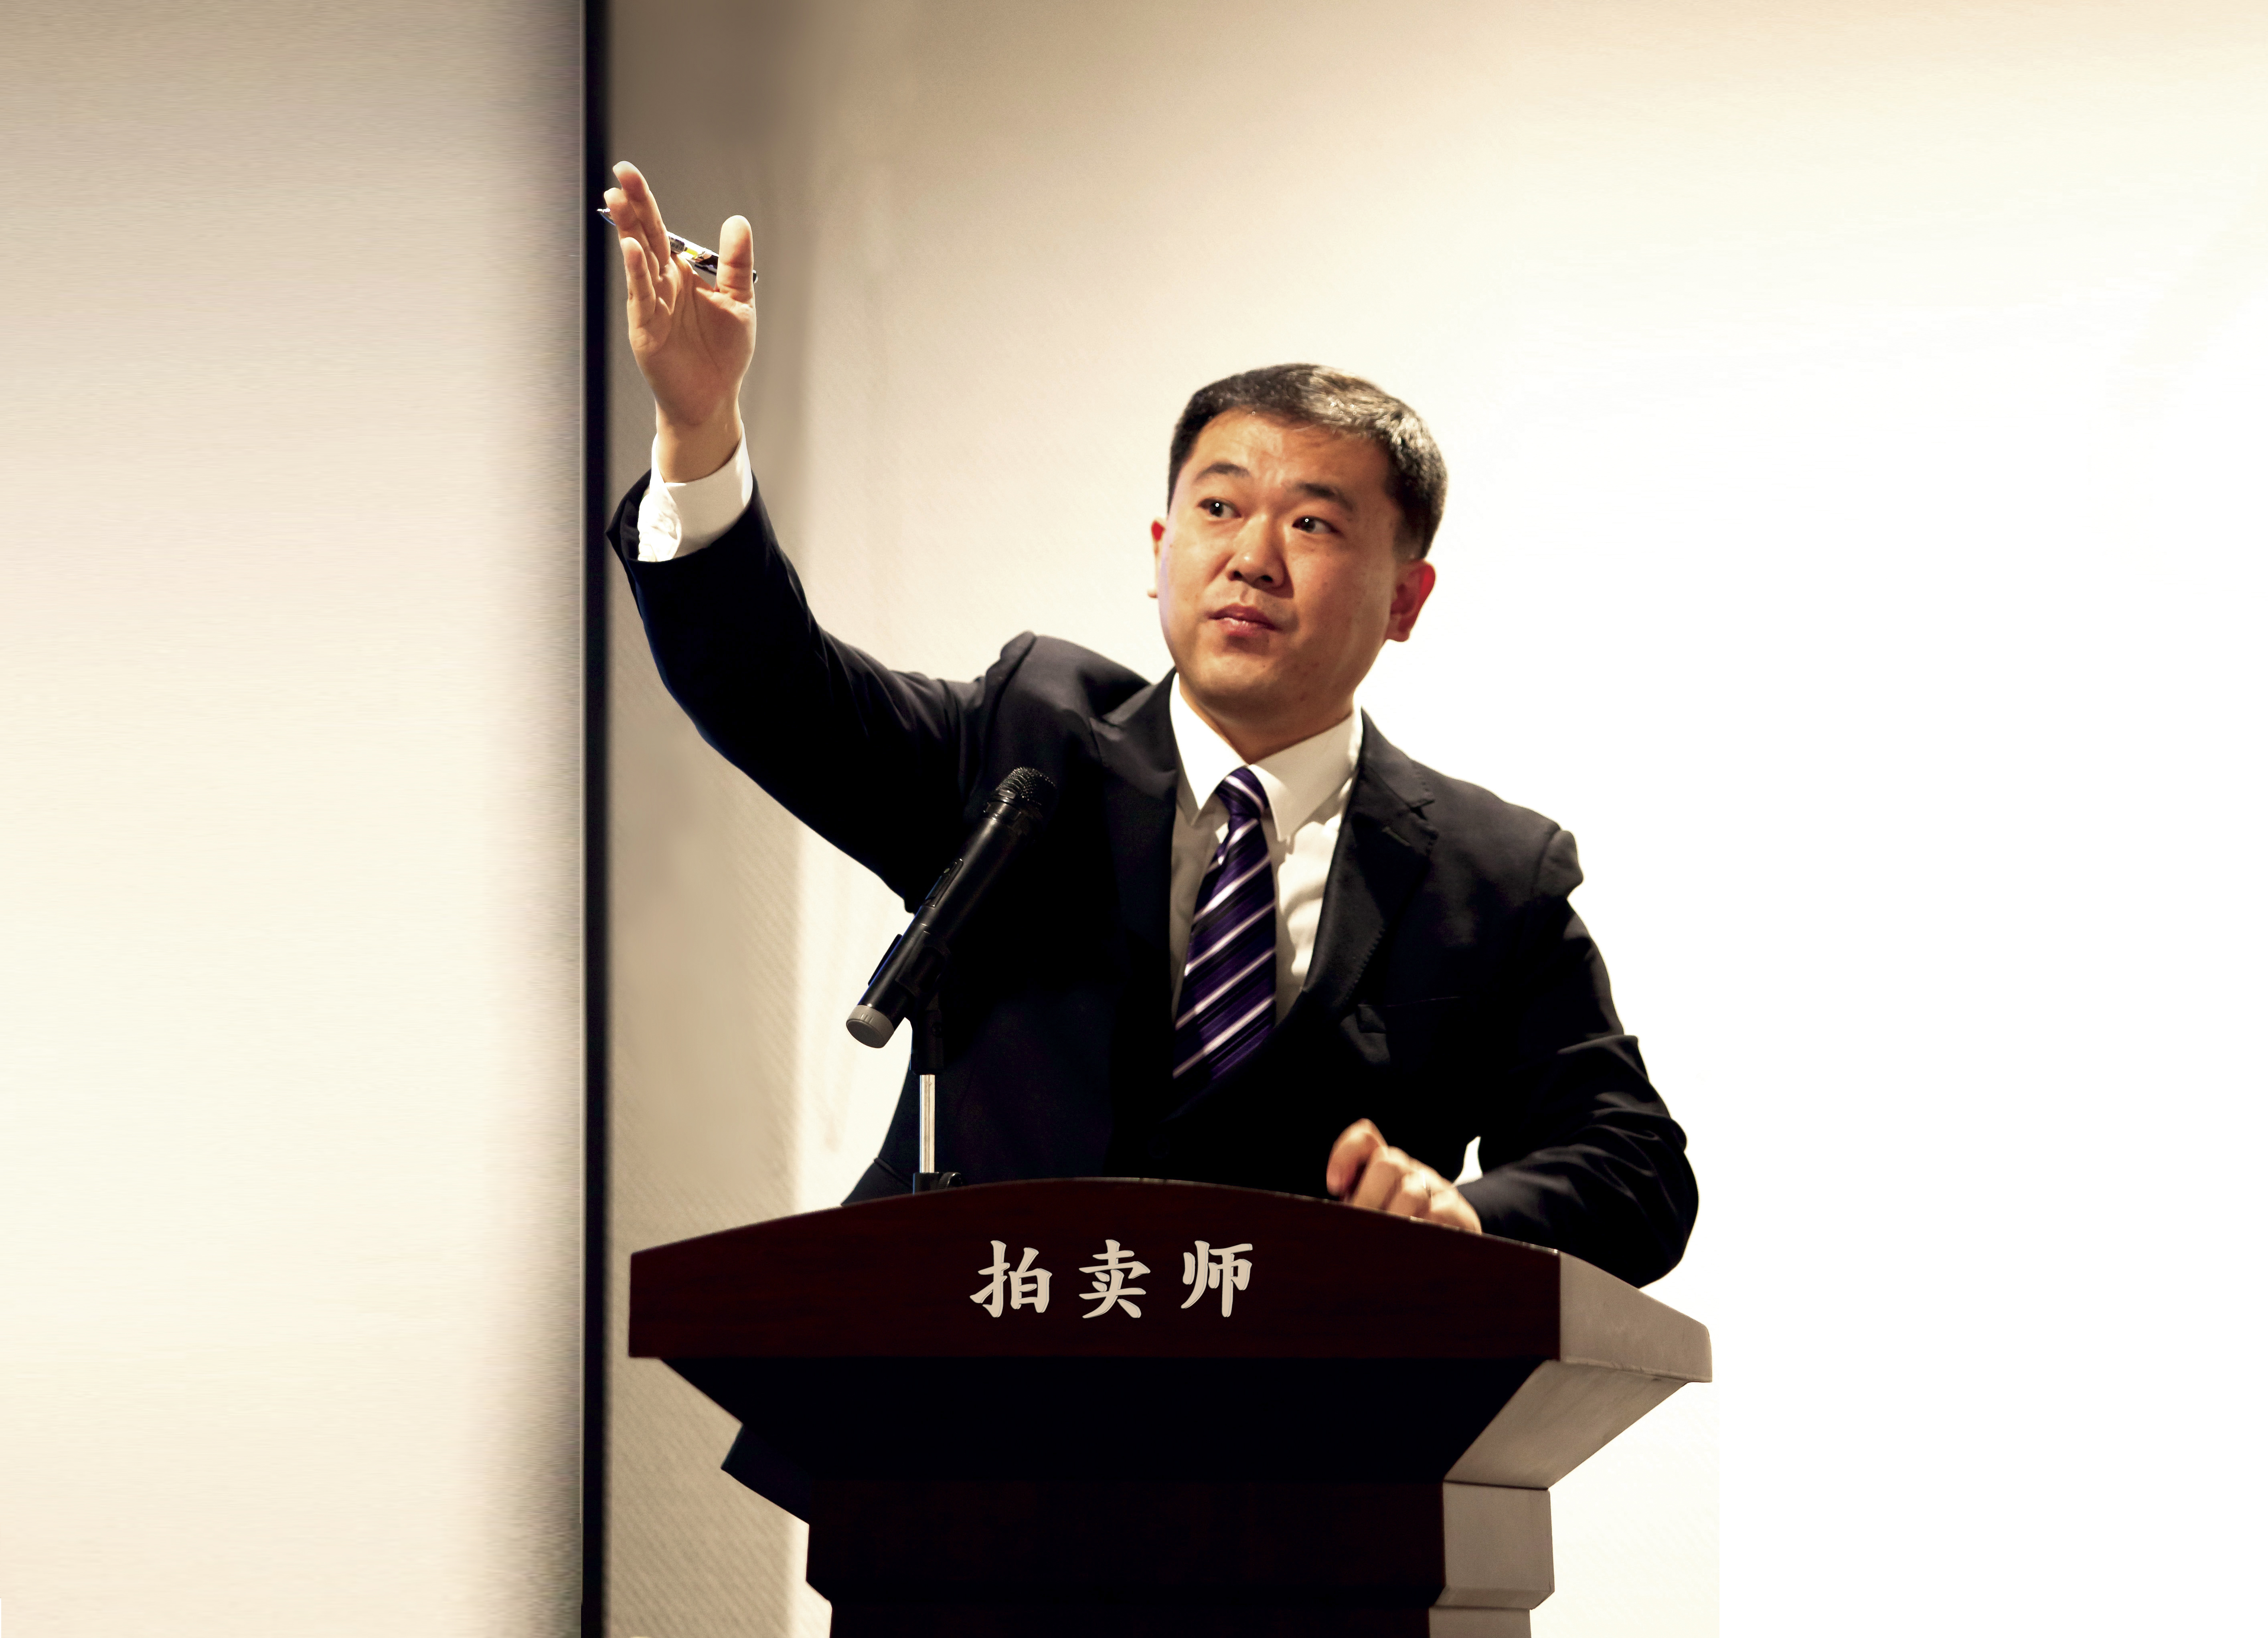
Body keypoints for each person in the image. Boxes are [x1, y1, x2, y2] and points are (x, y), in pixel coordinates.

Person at [599, 163, 1697, 1289]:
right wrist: (700, 428)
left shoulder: (1488, 875)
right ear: (1162, 549)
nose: (1251, 558)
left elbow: (1636, 1169)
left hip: (1300, 1387)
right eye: (1219, 508)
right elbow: (773, 691)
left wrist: (1459, 1215)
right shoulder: (1028, 750)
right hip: (971, 1357)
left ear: (1406, 601)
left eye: (1313, 524)